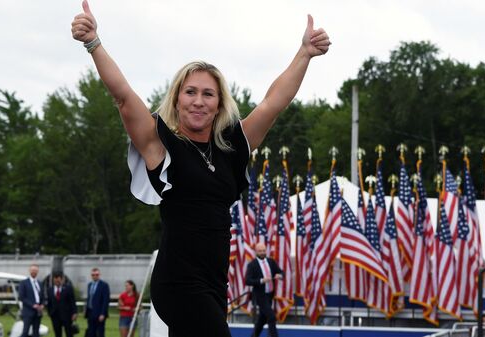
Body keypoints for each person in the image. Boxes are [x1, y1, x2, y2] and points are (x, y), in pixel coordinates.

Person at [71, 2, 330, 336]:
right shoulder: (160, 145)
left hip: (213, 281)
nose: (198, 101)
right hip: (178, 281)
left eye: (208, 94)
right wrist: (94, 43)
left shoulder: (232, 146)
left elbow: (272, 104)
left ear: (219, 103)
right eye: (190, 92)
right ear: (177, 99)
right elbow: (123, 97)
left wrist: (304, 54)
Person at [245, 243, 284, 337]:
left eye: (263, 250)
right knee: (271, 317)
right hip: (260, 296)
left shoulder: (271, 261)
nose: (262, 253)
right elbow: (248, 281)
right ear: (256, 252)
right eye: (260, 251)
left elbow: (281, 272)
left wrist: (280, 275)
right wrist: (261, 280)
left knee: (262, 320)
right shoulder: (252, 264)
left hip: (269, 295)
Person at [46, 272, 78, 337]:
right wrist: (50, 313)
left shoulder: (68, 288)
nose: (57, 281)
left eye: (59, 280)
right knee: (57, 334)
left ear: (62, 279)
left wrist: (74, 312)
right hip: (55, 316)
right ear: (53, 280)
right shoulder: (50, 290)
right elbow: (49, 303)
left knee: (69, 334)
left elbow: (73, 301)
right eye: (55, 280)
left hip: (67, 316)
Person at [18, 264, 44, 337]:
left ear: (37, 271)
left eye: (35, 270)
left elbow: (42, 296)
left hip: (38, 312)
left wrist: (42, 304)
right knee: (25, 332)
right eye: (32, 270)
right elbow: (21, 297)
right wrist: (32, 305)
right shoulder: (24, 283)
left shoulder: (40, 283)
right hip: (28, 311)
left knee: (36, 332)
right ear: (29, 271)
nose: (34, 272)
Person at [85, 267, 110, 337]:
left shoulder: (104, 285)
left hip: (99, 313)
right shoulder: (89, 285)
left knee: (100, 333)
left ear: (99, 275)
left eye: (96, 275)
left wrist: (103, 313)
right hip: (90, 313)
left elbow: (105, 300)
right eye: (93, 275)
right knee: (91, 333)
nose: (95, 276)